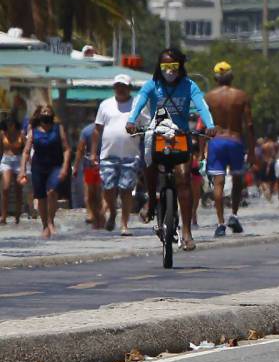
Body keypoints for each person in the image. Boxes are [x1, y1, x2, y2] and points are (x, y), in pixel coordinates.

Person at [125, 48, 216, 251]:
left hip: (180, 136)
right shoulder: (151, 85)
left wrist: (210, 124)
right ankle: (150, 202)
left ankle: (186, 232)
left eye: (173, 67)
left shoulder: (189, 85)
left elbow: (202, 106)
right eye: (165, 67)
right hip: (156, 134)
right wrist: (131, 120)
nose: (169, 71)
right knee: (148, 163)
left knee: (184, 179)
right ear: (159, 67)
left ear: (180, 67)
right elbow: (139, 102)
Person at [204, 61, 254, 237]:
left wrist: (202, 148)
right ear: (231, 77)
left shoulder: (209, 97)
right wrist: (253, 150)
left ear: (215, 78)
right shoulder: (240, 96)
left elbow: (204, 125)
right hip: (235, 140)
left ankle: (220, 223)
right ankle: (233, 214)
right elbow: (249, 124)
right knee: (237, 179)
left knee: (218, 182)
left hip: (216, 141)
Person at [91, 75, 141, 236]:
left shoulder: (137, 105)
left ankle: (124, 224)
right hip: (108, 154)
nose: (120, 89)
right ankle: (112, 212)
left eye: (123, 86)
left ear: (129, 88)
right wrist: (93, 152)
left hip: (131, 154)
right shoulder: (105, 105)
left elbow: (146, 126)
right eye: (117, 86)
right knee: (108, 187)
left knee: (126, 190)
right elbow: (97, 130)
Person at [18, 104, 71, 239]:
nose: (46, 113)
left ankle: (51, 221)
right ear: (39, 115)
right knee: (41, 197)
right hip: (38, 167)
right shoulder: (34, 131)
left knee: (52, 191)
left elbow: (66, 149)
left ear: (52, 114)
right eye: (43, 111)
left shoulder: (58, 129)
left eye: (48, 111)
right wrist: (22, 170)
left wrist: (65, 167)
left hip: (55, 166)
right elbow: (26, 152)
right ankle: (44, 225)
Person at [74, 122, 103, 229]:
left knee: (90, 192)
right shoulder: (107, 129)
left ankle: (92, 214)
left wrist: (76, 166)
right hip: (104, 163)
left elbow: (80, 149)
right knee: (100, 192)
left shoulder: (86, 130)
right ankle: (100, 216)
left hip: (90, 164)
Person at [1, 117, 25, 224]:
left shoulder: (21, 134)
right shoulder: (2, 134)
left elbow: (26, 149)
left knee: (18, 189)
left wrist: (25, 164)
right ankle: (4, 216)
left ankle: (17, 216)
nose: (10, 128)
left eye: (12, 125)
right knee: (5, 188)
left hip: (18, 160)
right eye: (8, 126)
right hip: (6, 160)